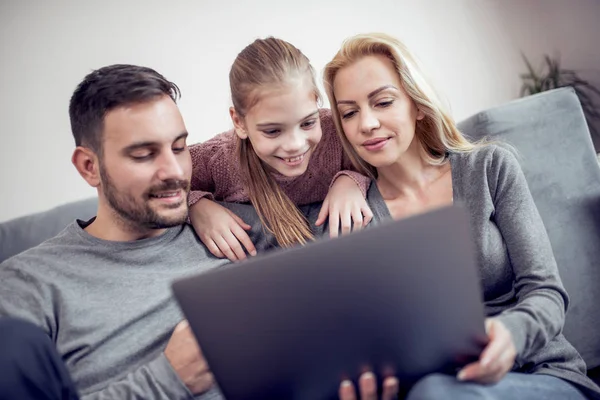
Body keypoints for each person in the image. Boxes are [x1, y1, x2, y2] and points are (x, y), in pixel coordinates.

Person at [323, 32, 600, 399]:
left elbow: (546, 291)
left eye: (383, 102)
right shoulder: (355, 218)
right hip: (436, 386)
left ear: (416, 103)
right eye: (350, 112)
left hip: (541, 372)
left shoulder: (489, 167)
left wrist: (511, 335)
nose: (367, 124)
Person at [0, 64, 269, 399]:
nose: (174, 172)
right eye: (144, 155)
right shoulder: (26, 284)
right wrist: (169, 379)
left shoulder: (239, 226)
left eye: (180, 147)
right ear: (89, 167)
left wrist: (348, 180)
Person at [187, 37, 374, 262]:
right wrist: (196, 206)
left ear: (316, 103)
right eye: (273, 131)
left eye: (307, 123)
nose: (295, 144)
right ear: (239, 122)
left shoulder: (336, 130)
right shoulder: (218, 159)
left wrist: (351, 180)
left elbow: (380, 163)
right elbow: (158, 186)